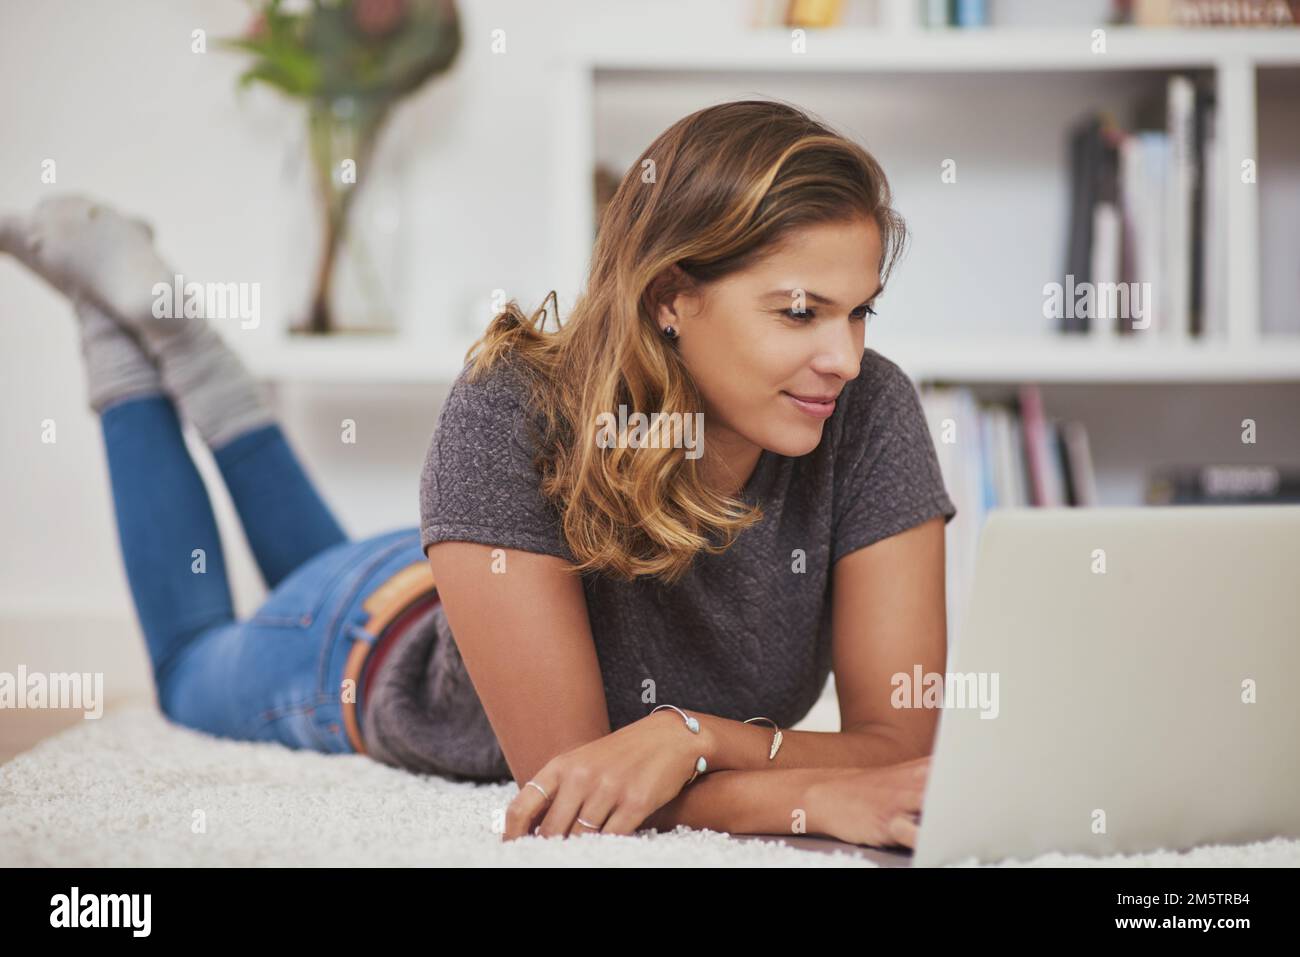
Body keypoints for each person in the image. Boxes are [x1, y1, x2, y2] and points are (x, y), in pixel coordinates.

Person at [2, 99, 956, 851]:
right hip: (363, 643)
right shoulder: (514, 408)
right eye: (800, 313)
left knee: (317, 563)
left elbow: (901, 749)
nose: (844, 354)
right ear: (672, 297)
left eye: (862, 312)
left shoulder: (869, 409)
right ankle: (129, 343)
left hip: (467, 582)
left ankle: (190, 354)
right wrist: (804, 791)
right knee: (184, 668)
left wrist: (689, 734)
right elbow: (576, 789)